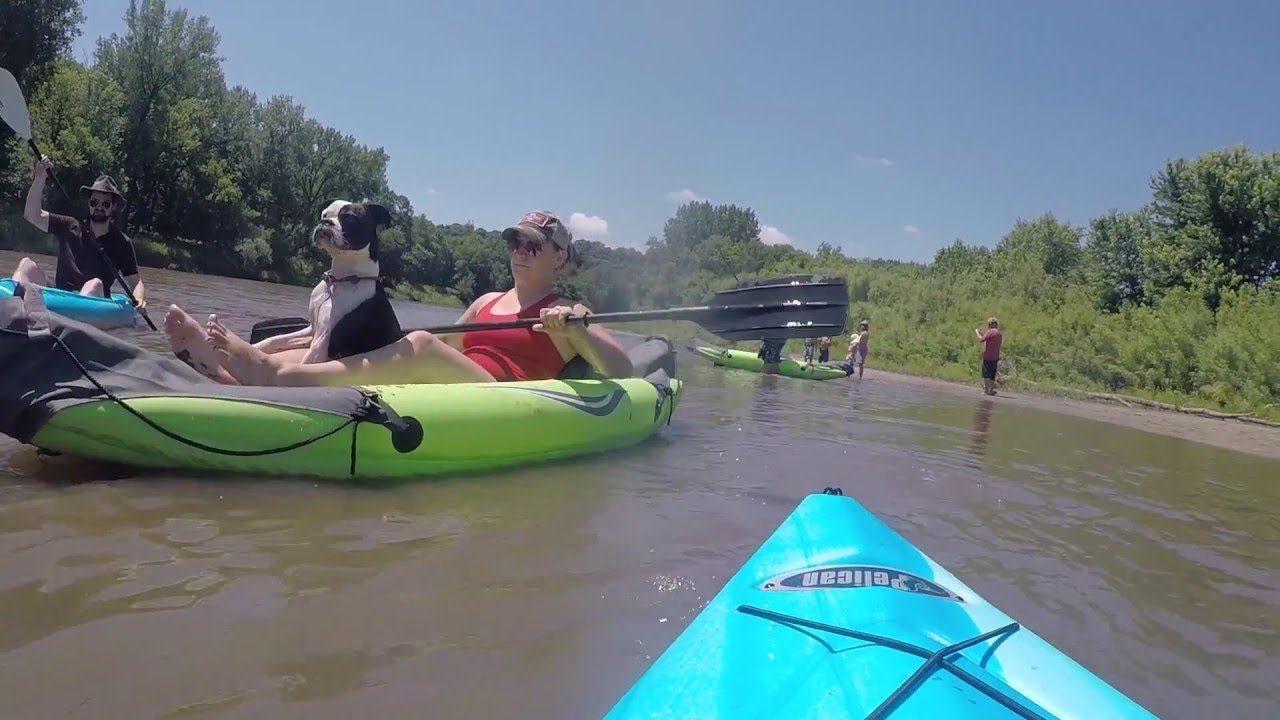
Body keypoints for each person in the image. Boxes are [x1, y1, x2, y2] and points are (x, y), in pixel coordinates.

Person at [164, 210, 634, 387]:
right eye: (514, 242)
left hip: (502, 394)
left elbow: (623, 370)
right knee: (412, 344)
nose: (520, 252)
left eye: (533, 245)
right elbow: (427, 351)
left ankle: (273, 375)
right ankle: (230, 373)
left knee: (424, 344)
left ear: (561, 258)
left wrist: (575, 326)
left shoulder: (571, 314)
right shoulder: (487, 301)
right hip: (458, 385)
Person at [14, 156, 147, 310]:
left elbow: (135, 281)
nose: (99, 207)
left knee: (95, 284)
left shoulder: (122, 242)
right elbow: (32, 215)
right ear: (89, 203)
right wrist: (40, 178)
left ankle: (70, 315)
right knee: (26, 265)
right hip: (61, 295)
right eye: (94, 202)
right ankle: (12, 308)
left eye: (105, 204)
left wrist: (139, 299)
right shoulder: (69, 225)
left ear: (113, 208)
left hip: (96, 301)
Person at [975, 316, 1002, 395]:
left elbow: (981, 340)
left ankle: (986, 390)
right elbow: (988, 339)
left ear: (991, 324)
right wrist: (982, 334)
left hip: (988, 356)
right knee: (992, 375)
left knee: (986, 374)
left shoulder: (991, 331)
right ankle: (991, 390)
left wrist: (977, 332)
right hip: (995, 357)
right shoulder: (998, 333)